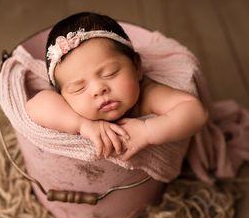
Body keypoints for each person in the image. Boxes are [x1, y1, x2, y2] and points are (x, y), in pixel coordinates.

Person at [25, 11, 209, 162]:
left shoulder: (147, 94)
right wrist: (82, 125)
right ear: (62, 95)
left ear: (137, 67)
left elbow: (194, 111)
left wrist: (148, 131)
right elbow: (34, 106)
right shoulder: (69, 110)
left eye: (110, 73)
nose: (98, 89)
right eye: (78, 88)